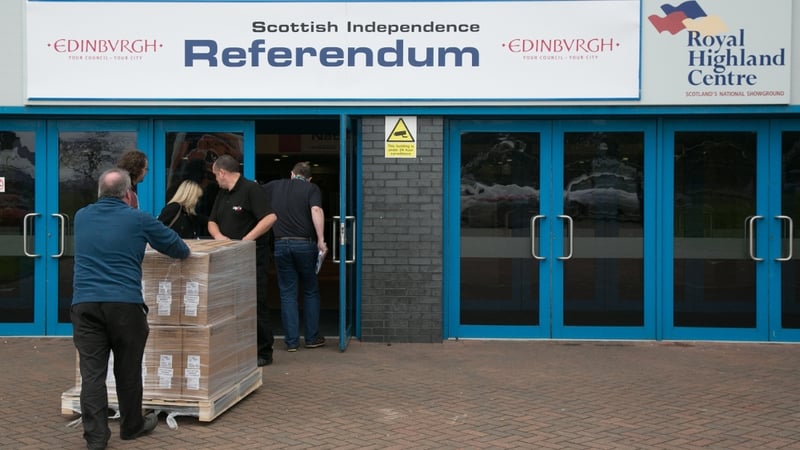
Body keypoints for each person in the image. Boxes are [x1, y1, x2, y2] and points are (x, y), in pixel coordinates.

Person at [71, 168, 190, 450]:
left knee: (92, 374)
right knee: (128, 369)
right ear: (128, 194)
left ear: (99, 192)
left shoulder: (81, 216)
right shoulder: (138, 218)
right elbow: (178, 248)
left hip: (85, 304)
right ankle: (131, 426)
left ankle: (96, 438)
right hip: (125, 304)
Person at [207, 154, 277, 366]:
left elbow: (270, 217)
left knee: (255, 303)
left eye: (215, 175)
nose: (215, 180)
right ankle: (237, 348)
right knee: (231, 305)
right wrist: (219, 237)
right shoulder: (222, 194)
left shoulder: (251, 190)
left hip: (252, 259)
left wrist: (246, 240)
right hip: (228, 259)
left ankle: (264, 352)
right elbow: (212, 221)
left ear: (222, 172)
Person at [263, 161, 328, 352]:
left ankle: (291, 342)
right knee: (310, 290)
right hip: (304, 243)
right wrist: (321, 239)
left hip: (281, 243)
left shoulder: (275, 186)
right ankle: (311, 337)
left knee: (288, 293)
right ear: (309, 178)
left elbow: (255, 193)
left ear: (292, 174)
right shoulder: (311, 188)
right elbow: (316, 210)